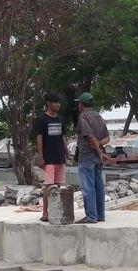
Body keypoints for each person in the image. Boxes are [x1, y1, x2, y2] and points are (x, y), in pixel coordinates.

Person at [32, 92, 69, 222]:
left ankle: (60, 211)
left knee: (60, 185)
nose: (58, 105)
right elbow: (39, 139)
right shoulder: (42, 119)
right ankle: (45, 212)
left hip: (60, 158)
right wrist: (41, 156)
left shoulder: (60, 119)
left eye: (59, 102)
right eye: (55, 102)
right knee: (48, 186)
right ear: (48, 103)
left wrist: (67, 152)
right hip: (48, 158)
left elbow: (64, 137)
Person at [74, 92, 110, 224]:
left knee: (88, 187)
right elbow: (107, 138)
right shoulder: (99, 117)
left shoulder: (83, 117)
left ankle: (91, 216)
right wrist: (100, 148)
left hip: (87, 156)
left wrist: (98, 150)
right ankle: (100, 215)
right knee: (98, 186)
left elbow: (89, 136)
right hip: (98, 158)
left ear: (81, 105)